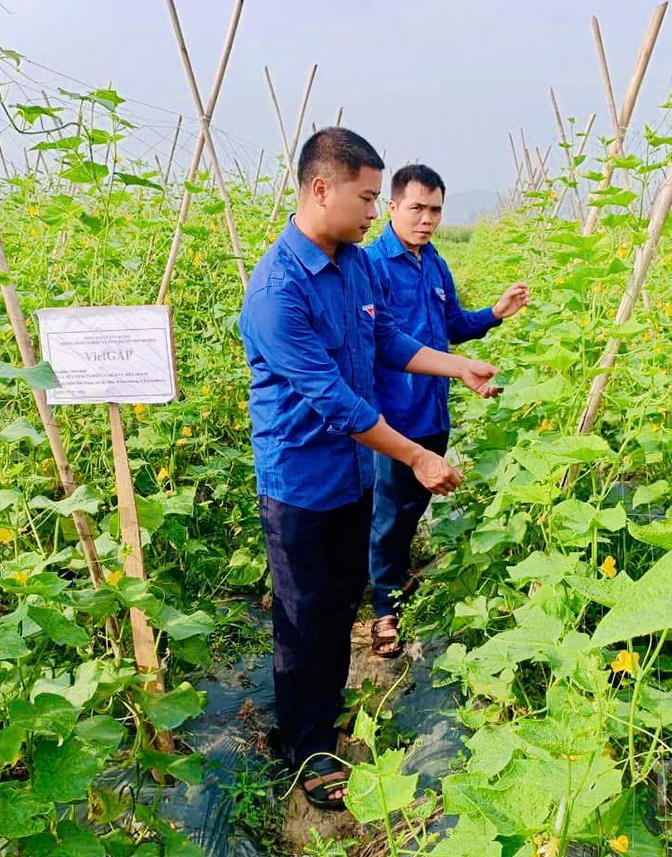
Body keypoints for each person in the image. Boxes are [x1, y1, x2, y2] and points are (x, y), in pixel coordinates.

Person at [238, 129, 503, 812]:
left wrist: (457, 365)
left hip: (354, 474)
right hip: (301, 484)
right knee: (303, 617)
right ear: (320, 188)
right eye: (365, 198)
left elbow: (384, 339)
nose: (372, 212)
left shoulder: (353, 264)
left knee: (338, 601)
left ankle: (323, 710)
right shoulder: (277, 289)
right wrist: (415, 454)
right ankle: (307, 748)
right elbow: (334, 398)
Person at [364, 164, 529, 658]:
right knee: (389, 515)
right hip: (393, 418)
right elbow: (380, 344)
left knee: (412, 507)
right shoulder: (372, 266)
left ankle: (393, 578)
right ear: (392, 207)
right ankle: (383, 609)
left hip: (434, 410)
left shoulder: (434, 263)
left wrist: (494, 314)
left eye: (435, 210)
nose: (427, 219)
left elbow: (453, 324)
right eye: (417, 208)